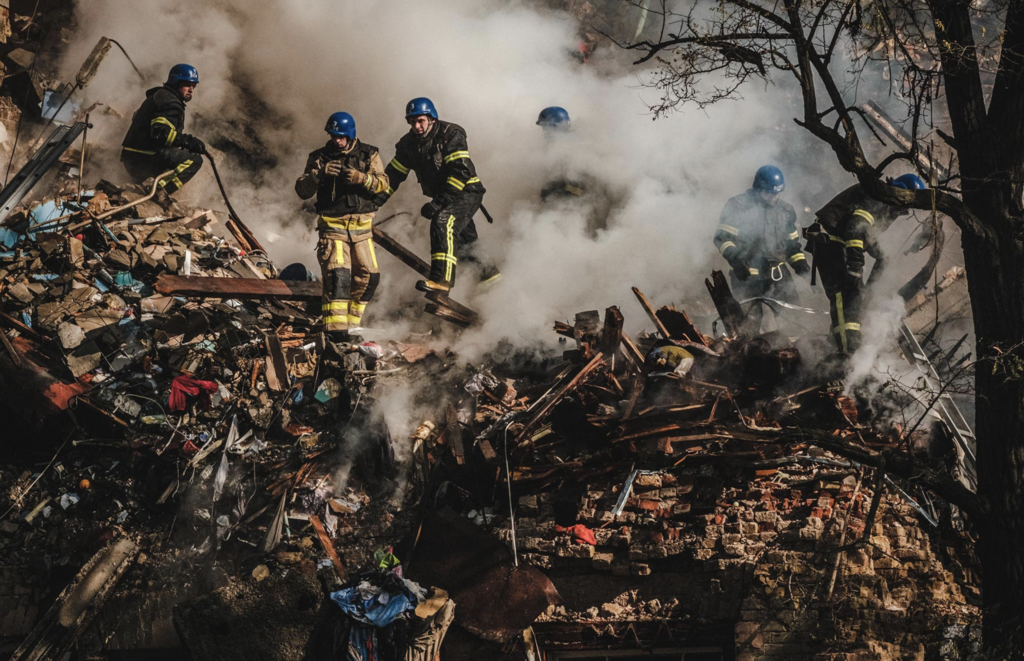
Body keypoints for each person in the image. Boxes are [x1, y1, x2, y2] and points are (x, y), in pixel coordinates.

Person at [377, 97, 496, 293]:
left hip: (466, 191)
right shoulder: (408, 144)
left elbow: (460, 172)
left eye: (420, 121)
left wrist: (438, 203)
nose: (416, 126)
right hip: (445, 196)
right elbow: (393, 176)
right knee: (467, 245)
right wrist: (374, 202)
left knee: (444, 222)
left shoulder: (451, 134)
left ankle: (441, 281)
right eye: (412, 122)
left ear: (431, 118)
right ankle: (492, 281)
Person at [804, 173, 926, 354]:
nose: (906, 208)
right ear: (900, 191)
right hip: (830, 241)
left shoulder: (885, 202)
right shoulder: (879, 196)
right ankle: (847, 352)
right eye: (906, 202)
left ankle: (842, 345)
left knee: (855, 296)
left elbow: (866, 233)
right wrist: (855, 265)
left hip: (837, 242)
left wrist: (880, 255)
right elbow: (855, 228)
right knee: (845, 295)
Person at [295, 112, 389, 344]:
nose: (337, 140)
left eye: (341, 136)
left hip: (362, 230)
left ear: (351, 134)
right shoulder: (319, 157)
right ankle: (335, 335)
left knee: (369, 277)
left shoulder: (369, 154)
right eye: (333, 136)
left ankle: (351, 327)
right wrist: (319, 175)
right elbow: (302, 190)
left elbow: (384, 183)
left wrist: (362, 178)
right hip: (333, 230)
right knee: (339, 278)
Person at [713, 165, 809, 329]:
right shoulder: (738, 206)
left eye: (777, 193)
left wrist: (801, 266)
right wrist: (736, 261)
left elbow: (792, 246)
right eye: (769, 193)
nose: (774, 197)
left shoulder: (785, 211)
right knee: (748, 325)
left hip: (778, 274)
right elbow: (721, 238)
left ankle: (793, 345)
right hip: (747, 275)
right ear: (758, 189)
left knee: (793, 321)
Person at [121, 64, 206, 197]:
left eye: (193, 85)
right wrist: (188, 141)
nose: (191, 89)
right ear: (176, 82)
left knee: (175, 155)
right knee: (194, 160)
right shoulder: (170, 102)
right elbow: (160, 133)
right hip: (142, 159)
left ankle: (149, 186)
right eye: (187, 84)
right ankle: (160, 191)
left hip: (132, 156)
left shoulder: (159, 96)